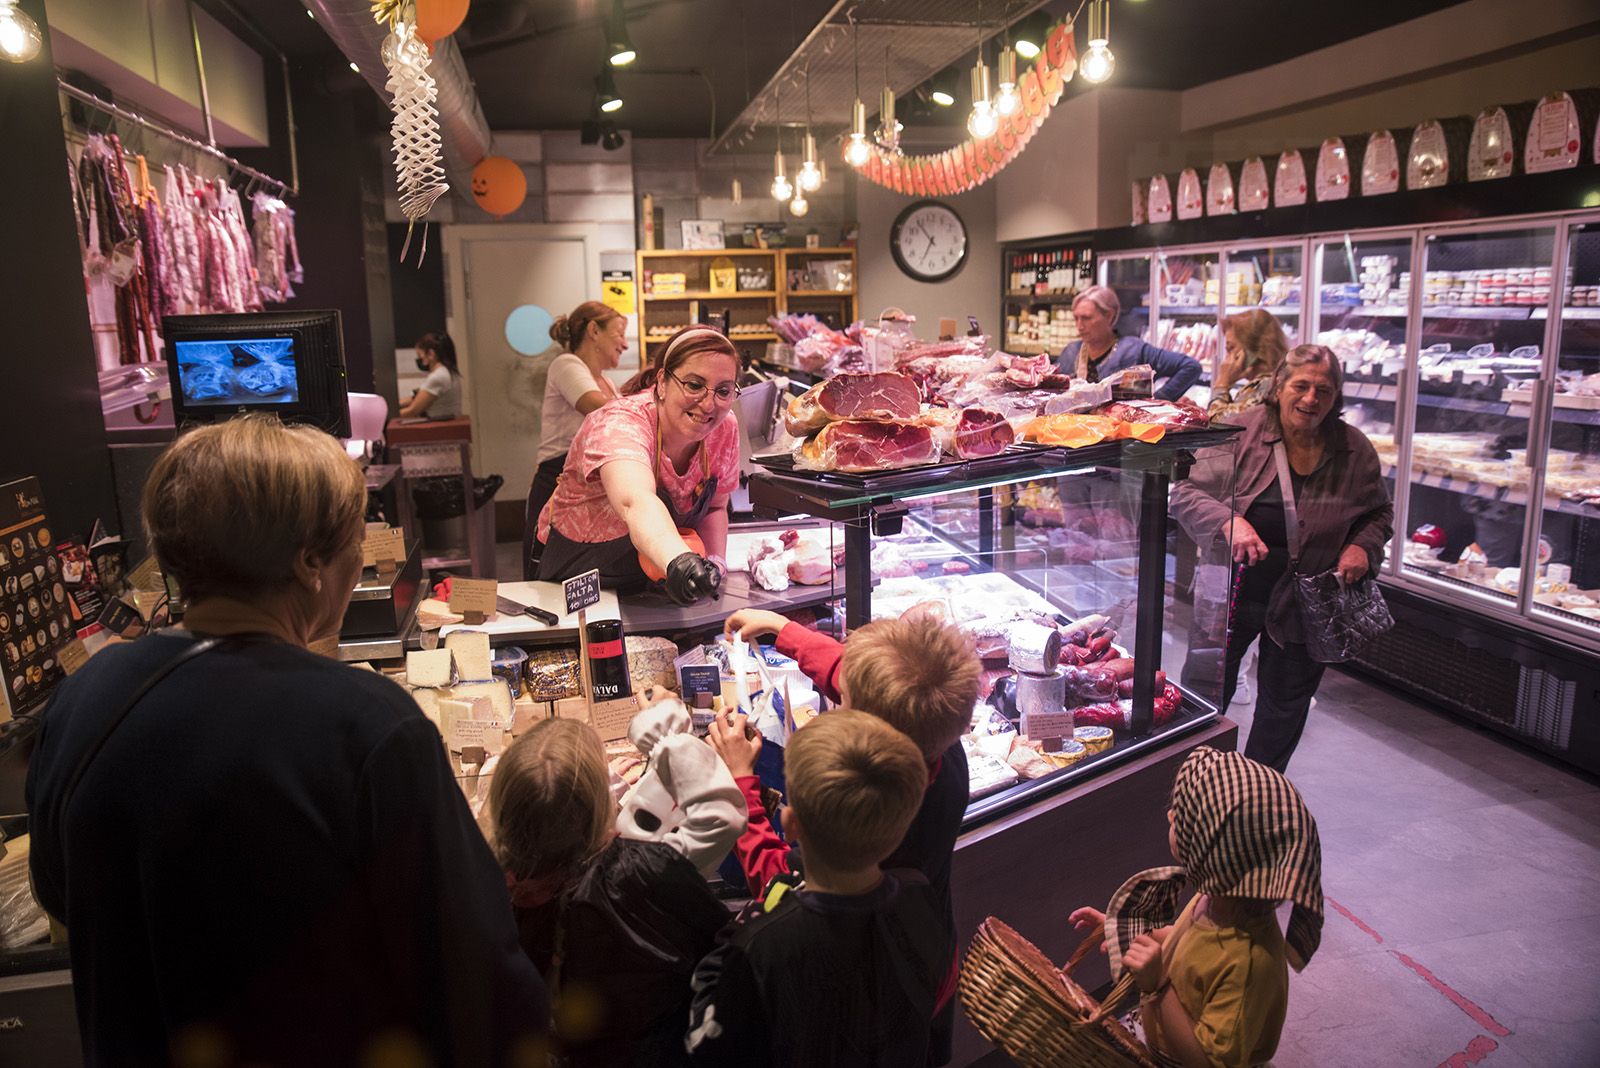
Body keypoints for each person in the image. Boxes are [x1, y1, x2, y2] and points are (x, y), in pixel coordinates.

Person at [25, 416, 547, 1067]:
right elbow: (477, 978)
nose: (361, 558)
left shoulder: (85, 694)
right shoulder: (365, 723)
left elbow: (58, 895)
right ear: (309, 564)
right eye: (355, 537)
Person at [715, 610, 979, 1066]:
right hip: (930, 965)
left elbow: (779, 882)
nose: (839, 694)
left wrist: (742, 783)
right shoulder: (940, 742)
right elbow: (873, 687)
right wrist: (787, 633)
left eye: (846, 701)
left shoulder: (863, 814)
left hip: (856, 998)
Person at [1172, 345, 1393, 772]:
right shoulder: (1240, 433)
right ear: (1278, 387)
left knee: (1285, 704)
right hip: (1234, 588)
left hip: (1308, 599)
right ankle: (1196, 780)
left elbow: (1379, 513)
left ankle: (1257, 791)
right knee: (1205, 690)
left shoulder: (1354, 449)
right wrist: (1227, 521)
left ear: (1337, 397)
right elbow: (1184, 492)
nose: (1311, 400)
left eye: (1324, 391)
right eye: (1302, 386)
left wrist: (1361, 546)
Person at [686, 711, 949, 1067]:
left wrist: (735, 936)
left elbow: (707, 1047)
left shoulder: (760, 944)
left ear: (790, 825)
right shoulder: (921, 897)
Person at [488, 711, 740, 1067]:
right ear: (599, 805)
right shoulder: (637, 871)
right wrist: (669, 743)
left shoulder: (485, 886)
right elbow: (720, 817)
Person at [1068, 745, 1323, 1068]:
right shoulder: (1216, 898)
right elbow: (1188, 944)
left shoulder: (1248, 965)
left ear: (1214, 851)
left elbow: (1207, 1062)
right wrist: (1120, 926)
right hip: (1161, 1042)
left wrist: (1159, 981)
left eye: (1183, 817)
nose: (1170, 816)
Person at [534, 325, 737, 604]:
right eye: (694, 385)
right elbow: (635, 500)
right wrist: (679, 560)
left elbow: (715, 505)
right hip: (585, 579)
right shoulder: (619, 422)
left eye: (723, 390)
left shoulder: (724, 428)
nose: (708, 404)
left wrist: (715, 562)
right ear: (663, 382)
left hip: (658, 579)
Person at [524, 302, 629, 578]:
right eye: (620, 334)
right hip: (556, 483)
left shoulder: (607, 383)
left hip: (587, 487)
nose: (625, 344)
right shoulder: (566, 364)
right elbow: (597, 408)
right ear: (594, 330)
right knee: (545, 574)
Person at [1057, 284, 1203, 401]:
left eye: (1086, 318)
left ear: (1109, 315)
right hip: (1075, 433)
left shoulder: (1134, 350)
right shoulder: (1070, 352)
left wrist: (1160, 398)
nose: (1080, 325)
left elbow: (1191, 367)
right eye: (1076, 318)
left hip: (1122, 433)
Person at [1209, 308, 1290, 422]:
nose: (1227, 359)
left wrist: (1222, 384)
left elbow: (1219, 423)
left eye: (1230, 348)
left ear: (1252, 350)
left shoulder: (1265, 386)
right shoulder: (1275, 380)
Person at [398, 330, 461, 419]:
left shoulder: (438, 377)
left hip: (437, 427)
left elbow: (413, 411)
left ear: (431, 354)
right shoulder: (448, 372)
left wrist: (386, 416)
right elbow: (417, 397)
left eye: (420, 356)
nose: (420, 360)